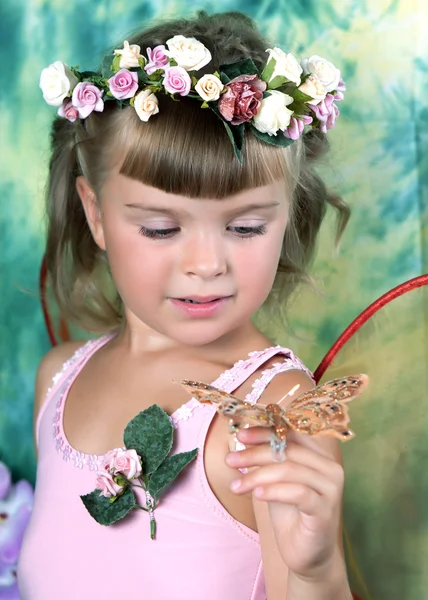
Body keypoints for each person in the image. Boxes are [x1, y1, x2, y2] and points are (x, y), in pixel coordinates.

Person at [18, 10, 355, 600]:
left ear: (285, 216)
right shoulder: (57, 381)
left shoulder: (272, 414)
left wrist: (314, 571)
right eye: (159, 229)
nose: (206, 264)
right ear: (96, 213)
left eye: (246, 227)